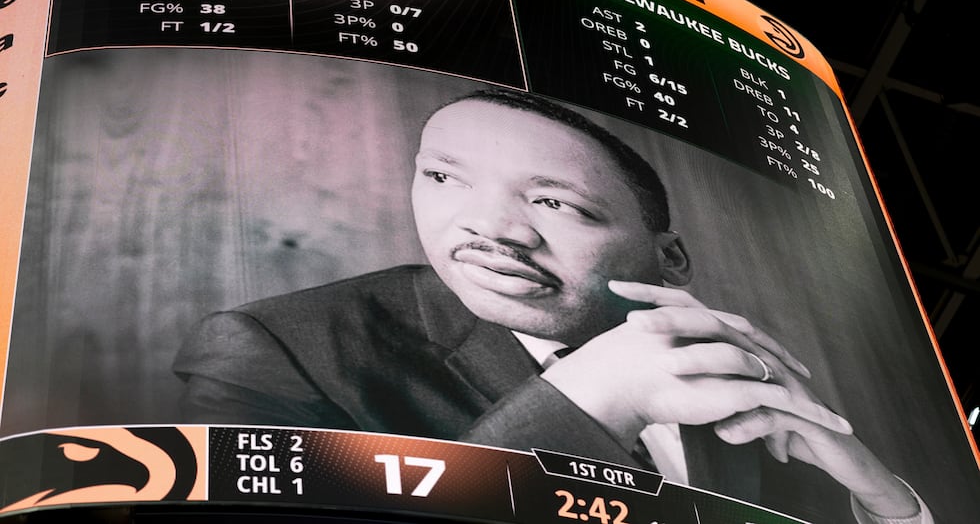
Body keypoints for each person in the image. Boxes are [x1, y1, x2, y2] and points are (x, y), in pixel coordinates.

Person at [174, 87, 931, 524]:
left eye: (555, 201)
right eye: (443, 178)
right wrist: (587, 401)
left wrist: (887, 504)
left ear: (668, 259)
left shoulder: (731, 383)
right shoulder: (271, 345)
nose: (490, 227)